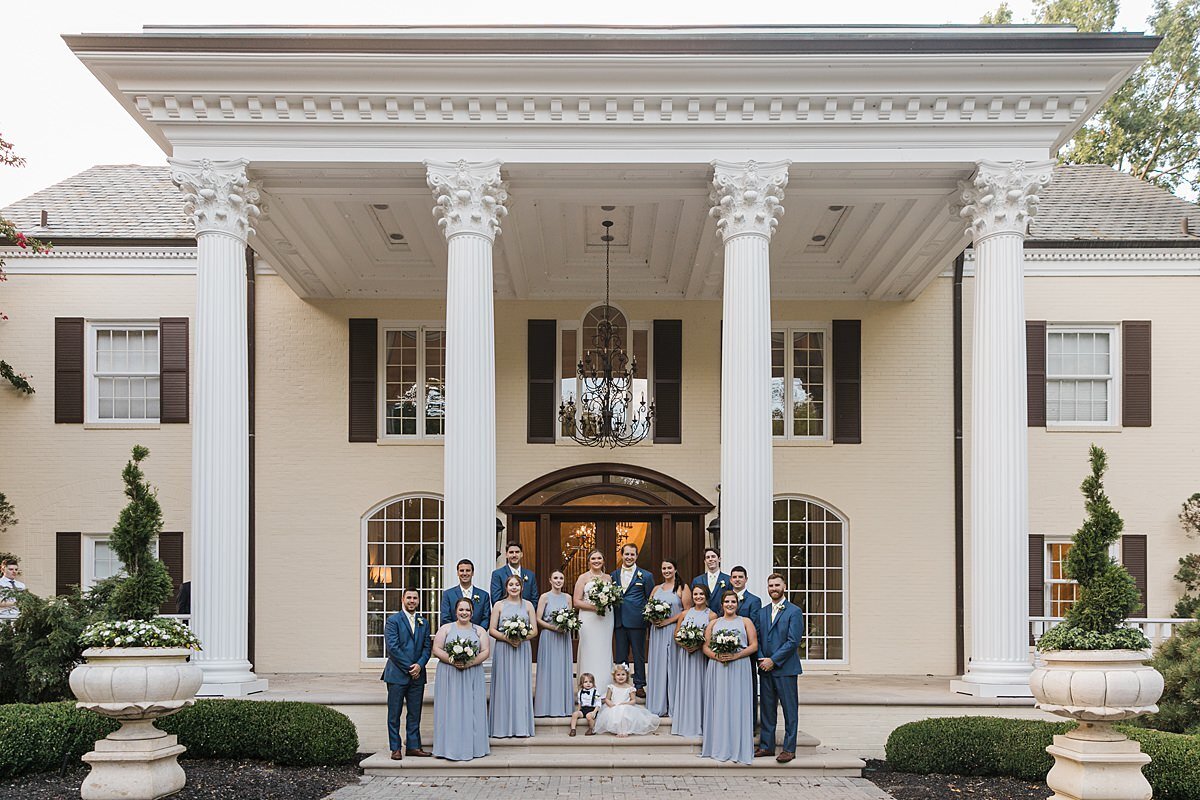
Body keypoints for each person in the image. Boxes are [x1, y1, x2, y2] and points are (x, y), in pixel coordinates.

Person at [700, 588, 759, 764]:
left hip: (739, 667)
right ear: (722, 604)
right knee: (720, 704)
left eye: (733, 602)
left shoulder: (746, 621)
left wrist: (736, 655)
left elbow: (754, 645)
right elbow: (705, 647)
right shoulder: (714, 623)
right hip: (718, 668)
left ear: (737, 604)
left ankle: (737, 747)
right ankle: (718, 745)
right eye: (727, 602)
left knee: (737, 704)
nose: (730, 604)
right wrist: (717, 656)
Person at [431, 597, 490, 761]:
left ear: (472, 612)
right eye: (461, 609)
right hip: (449, 674)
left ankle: (474, 747)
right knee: (450, 709)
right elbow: (436, 648)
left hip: (472, 674)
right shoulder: (446, 628)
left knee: (472, 710)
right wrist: (452, 660)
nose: (464, 612)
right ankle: (447, 748)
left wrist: (470, 662)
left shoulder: (479, 630)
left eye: (467, 610)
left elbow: (485, 651)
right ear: (456, 611)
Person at [755, 573, 806, 764]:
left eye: (777, 585)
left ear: (784, 586)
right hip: (765, 668)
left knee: (789, 710)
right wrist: (761, 658)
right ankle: (767, 746)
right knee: (767, 709)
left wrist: (773, 660)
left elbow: (793, 641)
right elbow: (757, 638)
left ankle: (789, 748)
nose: (773, 588)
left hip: (785, 668)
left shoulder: (794, 611)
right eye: (770, 585)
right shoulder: (762, 612)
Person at [381, 588, 433, 761]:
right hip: (397, 674)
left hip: (418, 676)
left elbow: (427, 647)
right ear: (403, 599)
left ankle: (413, 746)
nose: (412, 600)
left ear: (418, 601)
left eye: (415, 598)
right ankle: (395, 748)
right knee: (394, 713)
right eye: (409, 597)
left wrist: (419, 665)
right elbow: (393, 648)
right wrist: (410, 667)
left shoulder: (423, 622)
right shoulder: (393, 620)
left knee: (414, 713)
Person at [488, 574, 538, 738]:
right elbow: (492, 629)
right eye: (511, 585)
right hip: (503, 648)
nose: (514, 587)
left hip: (522, 649)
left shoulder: (528, 605)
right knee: (504, 684)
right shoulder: (499, 605)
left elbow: (534, 630)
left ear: (522, 587)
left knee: (520, 685)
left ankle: (521, 726)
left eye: (517, 584)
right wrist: (508, 639)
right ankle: (502, 728)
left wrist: (520, 638)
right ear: (506, 587)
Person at [671, 583, 716, 737]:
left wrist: (697, 646)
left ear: (706, 597)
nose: (698, 597)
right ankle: (684, 723)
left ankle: (700, 724)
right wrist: (685, 644)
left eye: (701, 594)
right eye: (695, 594)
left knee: (700, 687)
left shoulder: (712, 616)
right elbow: (676, 634)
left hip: (701, 657)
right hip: (686, 656)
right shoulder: (684, 614)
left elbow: (712, 639)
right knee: (686, 687)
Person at [645, 558, 689, 717]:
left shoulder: (682, 588)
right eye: (664, 568)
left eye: (669, 568)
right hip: (657, 633)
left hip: (672, 631)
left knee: (673, 666)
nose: (666, 571)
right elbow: (648, 609)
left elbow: (686, 612)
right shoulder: (656, 588)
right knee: (658, 666)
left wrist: (668, 621)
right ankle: (657, 704)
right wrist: (653, 619)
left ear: (675, 569)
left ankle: (673, 704)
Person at [610, 543, 654, 697]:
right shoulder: (613, 575)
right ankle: (622, 684)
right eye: (626, 554)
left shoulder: (646, 576)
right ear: (621, 555)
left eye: (632, 554)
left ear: (636, 556)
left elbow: (650, 599)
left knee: (638, 654)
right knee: (621, 655)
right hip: (619, 620)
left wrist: (648, 620)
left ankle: (639, 684)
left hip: (637, 621)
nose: (629, 557)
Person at [534, 570, 575, 717]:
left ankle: (563, 706)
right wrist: (553, 627)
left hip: (563, 637)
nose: (558, 581)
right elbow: (538, 619)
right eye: (555, 578)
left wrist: (566, 626)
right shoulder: (544, 597)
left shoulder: (568, 598)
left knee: (562, 669)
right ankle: (545, 707)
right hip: (549, 636)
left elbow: (570, 617)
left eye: (561, 578)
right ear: (550, 580)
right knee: (548, 669)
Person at [573, 549, 614, 687]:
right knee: (589, 649)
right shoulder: (583, 578)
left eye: (599, 558)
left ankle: (604, 687)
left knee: (604, 649)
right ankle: (587, 686)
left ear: (603, 561)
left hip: (606, 619)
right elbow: (576, 601)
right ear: (588, 561)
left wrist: (606, 604)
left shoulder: (608, 578)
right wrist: (595, 608)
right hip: (588, 619)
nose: (596, 561)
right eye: (593, 559)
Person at [728, 565, 762, 720]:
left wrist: (738, 645)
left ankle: (751, 722)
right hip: (725, 650)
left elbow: (754, 624)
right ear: (730, 579)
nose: (737, 580)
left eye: (740, 577)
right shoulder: (725, 598)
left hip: (746, 650)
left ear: (746, 579)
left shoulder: (754, 600)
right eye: (734, 577)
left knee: (749, 687)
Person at [593, 664, 661, 737]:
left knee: (624, 712)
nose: (621, 676)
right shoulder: (611, 687)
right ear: (614, 677)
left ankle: (624, 731)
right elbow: (607, 698)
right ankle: (618, 731)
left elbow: (633, 700)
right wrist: (610, 704)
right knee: (616, 713)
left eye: (623, 674)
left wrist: (626, 703)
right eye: (618, 675)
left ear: (627, 676)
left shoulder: (630, 688)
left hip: (626, 705)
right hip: (614, 706)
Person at [441, 559, 491, 626]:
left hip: (477, 634)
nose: (464, 573)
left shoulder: (484, 595)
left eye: (468, 570)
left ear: (473, 573)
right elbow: (445, 618)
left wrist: (478, 632)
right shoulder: (448, 594)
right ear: (457, 573)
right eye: (461, 571)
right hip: (454, 634)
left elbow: (486, 618)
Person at [569, 672, 600, 737]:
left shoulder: (595, 692)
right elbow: (580, 702)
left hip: (592, 709)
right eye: (586, 682)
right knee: (575, 714)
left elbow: (598, 703)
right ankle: (573, 729)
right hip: (583, 709)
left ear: (593, 683)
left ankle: (592, 729)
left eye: (590, 682)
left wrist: (594, 712)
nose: (588, 683)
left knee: (588, 716)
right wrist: (578, 710)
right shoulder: (580, 692)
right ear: (582, 684)